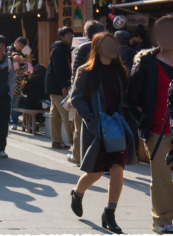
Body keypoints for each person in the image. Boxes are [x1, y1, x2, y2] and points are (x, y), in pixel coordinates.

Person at [127, 16, 173, 234]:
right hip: (157, 131)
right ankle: (162, 221)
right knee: (161, 180)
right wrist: (144, 120)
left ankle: (162, 207)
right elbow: (132, 98)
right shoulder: (146, 63)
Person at [69, 33, 137, 235]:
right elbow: (76, 98)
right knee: (95, 172)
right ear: (97, 48)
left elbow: (125, 98)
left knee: (117, 169)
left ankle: (110, 213)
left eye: (114, 45)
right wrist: (91, 121)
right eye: (107, 45)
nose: (112, 48)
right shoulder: (86, 71)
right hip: (98, 129)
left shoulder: (120, 71)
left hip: (117, 128)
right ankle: (77, 193)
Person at [69, 21, 106, 165]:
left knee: (79, 127)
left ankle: (79, 157)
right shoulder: (108, 46)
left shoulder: (83, 48)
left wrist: (74, 91)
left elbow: (76, 72)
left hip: (85, 94)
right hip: (103, 94)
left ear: (87, 34)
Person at [47, 26, 75, 152]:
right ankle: (73, 141)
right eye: (68, 34)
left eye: (72, 34)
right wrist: (63, 87)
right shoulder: (58, 50)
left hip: (54, 86)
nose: (71, 36)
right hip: (58, 86)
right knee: (66, 113)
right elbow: (58, 71)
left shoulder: (64, 48)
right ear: (62, 36)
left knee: (55, 114)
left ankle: (56, 141)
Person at [10, 37, 30, 130]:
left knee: (15, 103)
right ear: (15, 42)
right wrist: (11, 59)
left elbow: (26, 68)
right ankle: (8, 120)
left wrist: (22, 63)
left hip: (18, 83)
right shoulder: (7, 50)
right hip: (7, 81)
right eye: (20, 45)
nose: (20, 47)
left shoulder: (24, 54)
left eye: (23, 46)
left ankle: (13, 121)